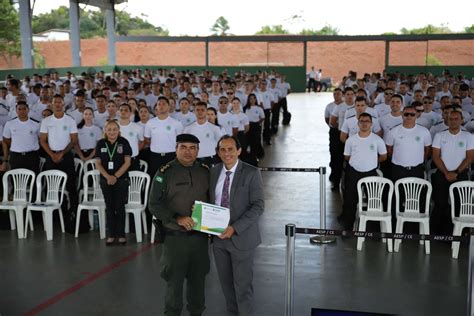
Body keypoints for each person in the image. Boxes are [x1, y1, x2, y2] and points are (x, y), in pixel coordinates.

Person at [148, 133, 210, 316]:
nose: (188, 152)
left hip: (200, 238)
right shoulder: (165, 172)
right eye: (183, 147)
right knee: (174, 283)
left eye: (192, 148)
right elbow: (154, 204)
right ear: (176, 149)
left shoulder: (205, 171)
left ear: (198, 151)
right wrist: (177, 218)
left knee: (198, 282)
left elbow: (214, 201)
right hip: (175, 239)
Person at [210, 135, 264, 316]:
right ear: (218, 152)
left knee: (243, 288)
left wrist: (234, 228)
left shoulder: (251, 172)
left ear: (239, 151)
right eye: (222, 150)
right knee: (226, 287)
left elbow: (258, 206)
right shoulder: (214, 171)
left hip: (242, 238)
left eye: (230, 149)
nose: (227, 153)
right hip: (218, 239)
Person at [340, 113, 387, 230]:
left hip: (370, 173)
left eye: (367, 121)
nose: (364, 123)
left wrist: (371, 161)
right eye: (362, 121)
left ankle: (373, 230)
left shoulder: (377, 139)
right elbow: (347, 156)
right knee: (350, 201)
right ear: (358, 123)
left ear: (371, 123)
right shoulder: (351, 140)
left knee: (373, 201)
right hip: (353, 173)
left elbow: (384, 156)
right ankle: (348, 229)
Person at [431, 110, 474, 235]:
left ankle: (458, 234)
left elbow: (470, 157)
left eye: (456, 119)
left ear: (461, 120)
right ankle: (437, 233)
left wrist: (456, 172)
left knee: (460, 203)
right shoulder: (440, 135)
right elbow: (436, 156)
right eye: (451, 119)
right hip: (442, 173)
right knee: (440, 203)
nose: (454, 121)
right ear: (447, 120)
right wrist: (446, 172)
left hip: (460, 174)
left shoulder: (468, 136)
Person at [39, 94, 80, 213]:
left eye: (59, 102)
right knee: (50, 186)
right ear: (51, 104)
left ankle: (73, 212)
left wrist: (62, 153)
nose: (57, 104)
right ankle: (54, 213)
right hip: (51, 155)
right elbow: (42, 140)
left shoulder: (70, 120)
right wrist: (52, 155)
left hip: (66, 156)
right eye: (55, 102)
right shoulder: (46, 121)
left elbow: (74, 140)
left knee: (71, 185)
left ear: (63, 104)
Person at [95, 120, 132, 245]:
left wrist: (115, 176)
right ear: (105, 131)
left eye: (114, 129)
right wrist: (108, 177)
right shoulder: (101, 143)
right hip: (105, 179)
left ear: (118, 130)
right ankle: (111, 234)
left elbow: (127, 162)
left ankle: (121, 234)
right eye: (109, 129)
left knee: (119, 206)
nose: (112, 132)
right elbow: (98, 163)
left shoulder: (124, 142)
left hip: (121, 179)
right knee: (109, 206)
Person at [144, 97, 184, 178]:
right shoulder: (150, 123)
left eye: (164, 104)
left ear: (169, 106)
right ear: (156, 107)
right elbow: (147, 139)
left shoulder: (176, 123)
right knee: (156, 179)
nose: (161, 106)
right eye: (159, 104)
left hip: (171, 156)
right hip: (155, 156)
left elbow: (180, 141)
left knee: (171, 178)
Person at [1, 101, 40, 173]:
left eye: (24, 109)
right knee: (16, 181)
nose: (22, 111)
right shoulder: (10, 123)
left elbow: (40, 138)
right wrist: (16, 144)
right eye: (19, 109)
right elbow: (6, 139)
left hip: (32, 156)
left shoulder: (36, 124)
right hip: (16, 156)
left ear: (28, 110)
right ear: (16, 110)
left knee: (33, 180)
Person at [184, 102, 222, 167]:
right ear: (194, 112)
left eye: (202, 110)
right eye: (197, 110)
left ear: (206, 111)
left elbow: (221, 145)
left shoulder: (215, 128)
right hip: (194, 160)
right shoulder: (188, 129)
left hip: (211, 160)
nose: (200, 112)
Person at [118, 103, 144, 171]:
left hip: (133, 159)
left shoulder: (138, 127)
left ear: (130, 113)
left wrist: (135, 150)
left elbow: (142, 141)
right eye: (121, 110)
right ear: (118, 112)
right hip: (117, 159)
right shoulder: (114, 126)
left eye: (126, 110)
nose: (123, 112)